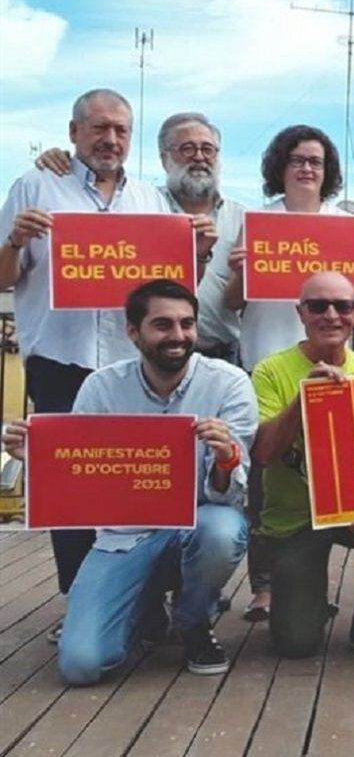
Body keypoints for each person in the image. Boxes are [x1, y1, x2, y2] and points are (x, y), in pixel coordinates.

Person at [0, 89, 214, 642]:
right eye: (98, 128)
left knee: (141, 483)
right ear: (74, 133)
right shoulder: (35, 186)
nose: (110, 140)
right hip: (61, 361)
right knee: (68, 487)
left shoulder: (151, 199)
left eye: (121, 130)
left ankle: (149, 600)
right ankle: (81, 599)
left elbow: (174, 288)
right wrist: (13, 240)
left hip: (131, 368)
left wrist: (203, 250)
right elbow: (3, 278)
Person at [2, 280, 255, 684]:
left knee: (224, 530)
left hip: (196, 524)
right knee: (81, 665)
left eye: (187, 324)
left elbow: (230, 495)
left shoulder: (229, 383)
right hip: (122, 538)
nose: (178, 336)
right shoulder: (101, 386)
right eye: (163, 325)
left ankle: (193, 623)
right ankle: (143, 605)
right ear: (133, 332)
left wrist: (227, 457)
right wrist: (40, 460)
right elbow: (78, 485)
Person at [251, 271, 354, 660]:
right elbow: (263, 454)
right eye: (318, 306)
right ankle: (303, 601)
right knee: (296, 644)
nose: (331, 315)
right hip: (296, 518)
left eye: (343, 306)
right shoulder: (269, 371)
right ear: (301, 313)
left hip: (352, 509)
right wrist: (304, 399)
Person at [224, 124, 353, 622]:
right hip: (267, 360)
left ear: (328, 172)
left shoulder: (347, 221)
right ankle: (264, 585)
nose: (306, 168)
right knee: (265, 476)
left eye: (316, 161)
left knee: (330, 472)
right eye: (297, 159)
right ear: (280, 167)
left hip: (330, 365)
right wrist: (240, 270)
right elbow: (229, 303)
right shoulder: (256, 222)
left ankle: (308, 578)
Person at [36, 112, 246, 362]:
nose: (199, 157)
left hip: (223, 353)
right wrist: (67, 162)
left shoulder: (244, 219)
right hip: (153, 355)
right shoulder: (141, 207)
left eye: (208, 149)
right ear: (164, 158)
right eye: (187, 149)